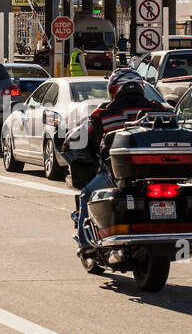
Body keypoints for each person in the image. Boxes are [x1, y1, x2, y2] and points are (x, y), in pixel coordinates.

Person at [62, 67, 168, 251]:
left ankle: (86, 245)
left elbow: (78, 138)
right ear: (141, 88)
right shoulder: (159, 109)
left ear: (114, 90)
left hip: (118, 175)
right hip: (158, 174)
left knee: (87, 194)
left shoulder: (104, 112)